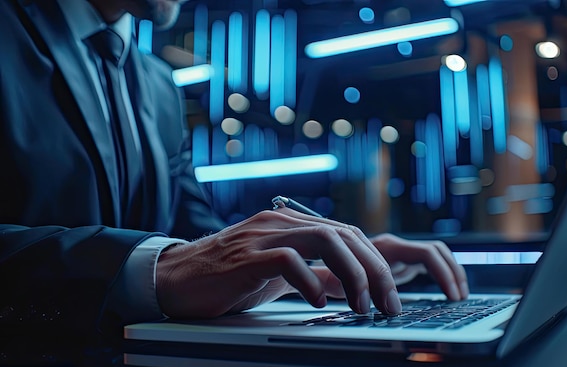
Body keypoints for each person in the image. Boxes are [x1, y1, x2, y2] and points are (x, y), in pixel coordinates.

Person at [0, 0, 468, 341]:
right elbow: (177, 261)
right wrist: (153, 271)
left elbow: (198, 241)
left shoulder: (159, 83)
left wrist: (314, 268)